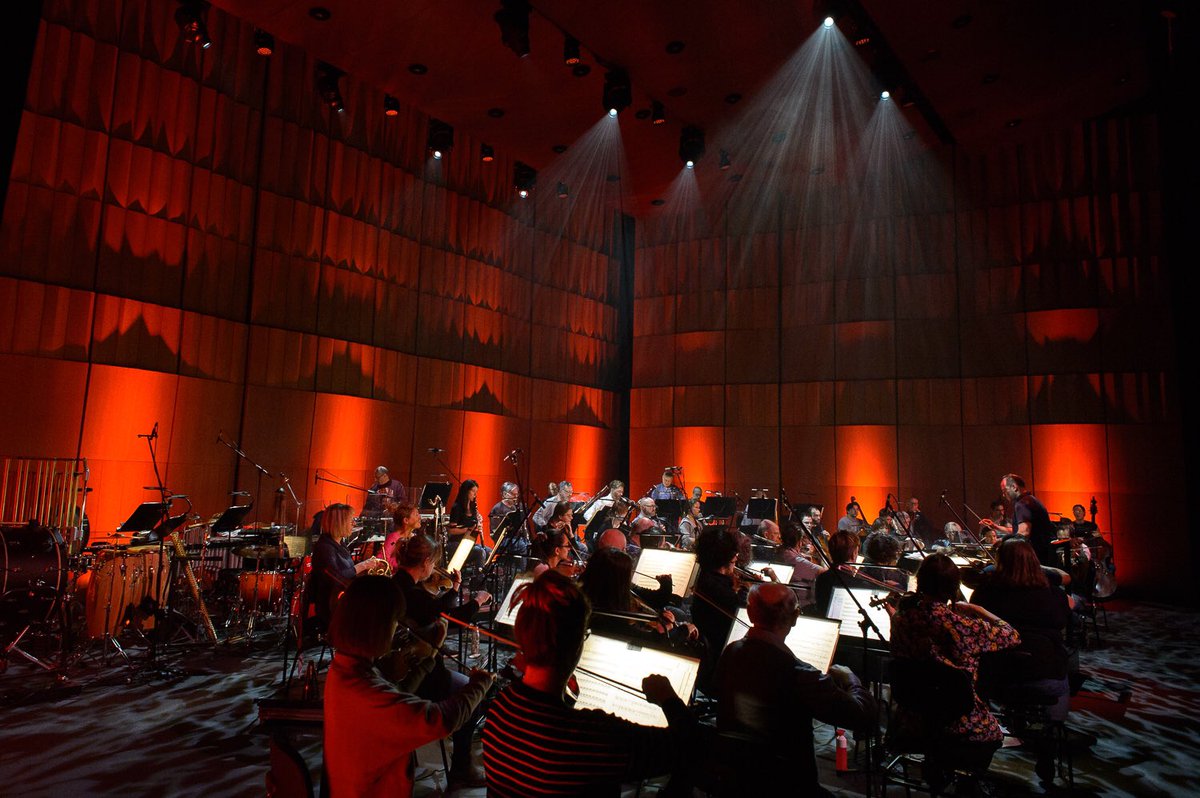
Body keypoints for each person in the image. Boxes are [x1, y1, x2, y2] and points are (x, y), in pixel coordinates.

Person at [482, 570, 699, 796]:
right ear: (578, 643)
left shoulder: (500, 707)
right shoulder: (590, 738)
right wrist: (668, 698)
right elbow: (689, 745)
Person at [324, 575, 494, 798]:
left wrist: (430, 654)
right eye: (396, 622)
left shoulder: (344, 668)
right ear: (379, 626)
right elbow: (441, 720)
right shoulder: (366, 691)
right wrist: (479, 685)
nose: (397, 630)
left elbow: (399, 693)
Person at [716, 583, 877, 794]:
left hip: (734, 776)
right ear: (795, 616)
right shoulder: (799, 674)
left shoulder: (730, 652)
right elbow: (862, 714)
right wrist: (851, 679)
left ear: (749, 612)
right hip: (789, 784)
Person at [890, 554, 1021, 786]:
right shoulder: (960, 625)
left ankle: (937, 770)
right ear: (953, 588)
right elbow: (1011, 634)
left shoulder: (901, 619)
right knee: (994, 734)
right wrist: (977, 609)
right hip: (958, 722)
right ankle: (964, 780)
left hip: (910, 718)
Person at [393, 534, 493, 787]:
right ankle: (461, 767)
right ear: (426, 561)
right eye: (434, 561)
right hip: (422, 678)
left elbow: (437, 611)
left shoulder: (398, 584)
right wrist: (477, 601)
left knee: (465, 683)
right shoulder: (415, 594)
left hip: (402, 669)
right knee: (474, 697)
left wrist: (455, 590)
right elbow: (453, 620)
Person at [971, 537, 1072, 785]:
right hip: (1042, 676)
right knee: (1063, 663)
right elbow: (1064, 623)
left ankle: (976, 753)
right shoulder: (1052, 594)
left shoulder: (985, 591)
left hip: (995, 677)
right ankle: (1049, 736)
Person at [307, 503, 387, 628]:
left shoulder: (339, 544)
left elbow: (347, 572)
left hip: (344, 598)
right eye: (351, 521)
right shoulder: (325, 548)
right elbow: (336, 578)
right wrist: (363, 566)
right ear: (339, 523)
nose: (354, 524)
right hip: (332, 604)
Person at [690, 526, 746, 686]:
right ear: (729, 557)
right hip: (721, 659)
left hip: (711, 650)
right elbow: (741, 616)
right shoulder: (720, 589)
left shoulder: (704, 577)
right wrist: (744, 591)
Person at [1000, 474, 1056, 566]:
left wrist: (1005, 543)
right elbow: (1019, 531)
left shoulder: (1022, 504)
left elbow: (1024, 532)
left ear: (1014, 487)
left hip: (1035, 559)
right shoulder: (1031, 500)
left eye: (1004, 491)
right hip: (1044, 555)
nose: (1003, 495)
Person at [777, 521, 824, 609]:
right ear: (799, 541)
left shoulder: (781, 552)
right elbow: (824, 572)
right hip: (801, 606)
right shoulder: (795, 559)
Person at [447, 479, 490, 567]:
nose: (475, 494)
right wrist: (467, 530)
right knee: (480, 552)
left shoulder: (473, 508)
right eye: (473, 491)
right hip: (456, 543)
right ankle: (478, 578)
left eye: (476, 491)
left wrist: (478, 527)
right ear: (466, 491)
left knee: (489, 551)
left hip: (468, 542)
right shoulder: (457, 508)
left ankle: (481, 575)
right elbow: (451, 531)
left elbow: (474, 526)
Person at [383, 502, 422, 571]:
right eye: (416, 515)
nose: (420, 517)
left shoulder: (415, 537)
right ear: (406, 520)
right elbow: (383, 559)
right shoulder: (394, 538)